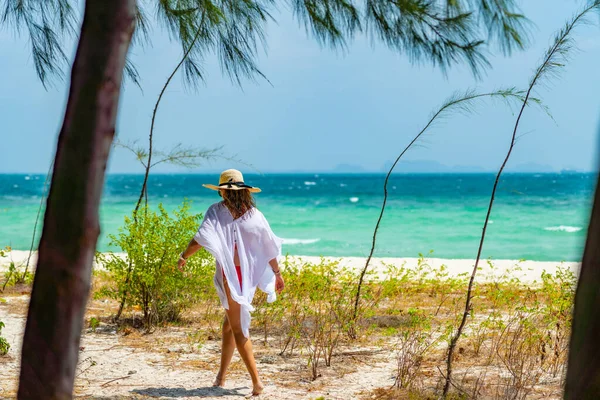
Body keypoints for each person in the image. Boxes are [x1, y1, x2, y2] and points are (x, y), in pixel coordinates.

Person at [177, 169, 285, 396]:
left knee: (238, 327)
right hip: (248, 276)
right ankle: (221, 377)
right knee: (229, 323)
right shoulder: (254, 214)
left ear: (223, 192)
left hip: (231, 275)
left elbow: (199, 239)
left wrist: (183, 256)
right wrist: (277, 272)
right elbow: (269, 247)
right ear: (244, 191)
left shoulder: (217, 211)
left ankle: (256, 382)